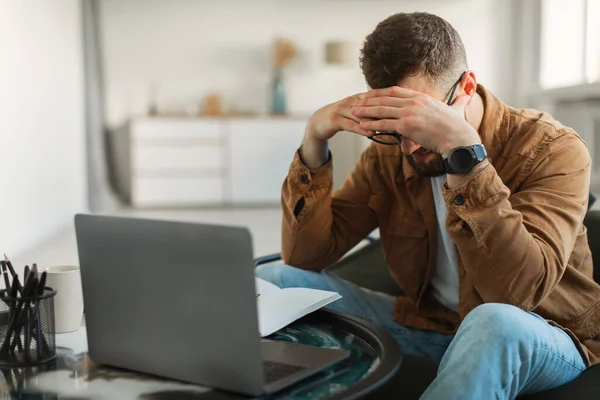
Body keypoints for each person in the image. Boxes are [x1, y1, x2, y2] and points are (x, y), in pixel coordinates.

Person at [255, 11, 600, 399]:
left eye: (423, 117)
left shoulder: (551, 149)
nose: (410, 146)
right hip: (432, 326)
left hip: (543, 333)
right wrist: (315, 138)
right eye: (394, 126)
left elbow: (517, 296)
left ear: (467, 85)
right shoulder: (388, 156)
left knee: (493, 322)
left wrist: (464, 155)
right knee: (278, 279)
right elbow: (305, 257)